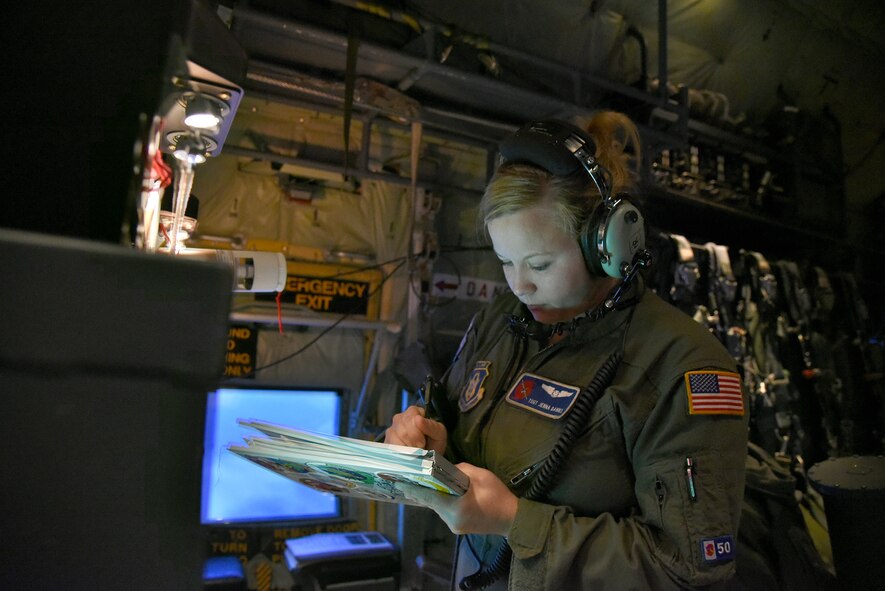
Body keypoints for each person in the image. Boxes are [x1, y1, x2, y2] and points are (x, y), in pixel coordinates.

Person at [385, 112, 748, 590]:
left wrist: (515, 520)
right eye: (505, 262)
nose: (520, 284)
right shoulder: (503, 319)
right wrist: (427, 434)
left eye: (539, 263)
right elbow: (457, 412)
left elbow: (689, 570)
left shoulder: (682, 366)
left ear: (607, 245)